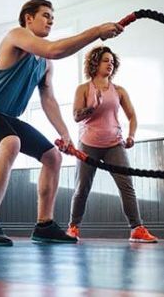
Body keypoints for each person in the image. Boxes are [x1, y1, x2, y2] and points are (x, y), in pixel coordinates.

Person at [0, 0, 124, 246]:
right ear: (28, 18)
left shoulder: (44, 64)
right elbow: (54, 49)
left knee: (53, 156)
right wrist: (96, 32)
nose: (51, 20)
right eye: (45, 15)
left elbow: (48, 100)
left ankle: (44, 225)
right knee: (11, 143)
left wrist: (66, 135)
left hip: (8, 118)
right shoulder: (16, 36)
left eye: (53, 17)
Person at [65, 46, 157, 243]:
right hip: (88, 143)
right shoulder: (83, 89)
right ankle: (73, 227)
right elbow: (76, 116)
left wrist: (131, 136)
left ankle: (137, 228)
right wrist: (93, 107)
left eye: (112, 61)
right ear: (95, 63)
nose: (110, 64)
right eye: (106, 60)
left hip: (114, 143)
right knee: (82, 188)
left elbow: (132, 116)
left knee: (127, 186)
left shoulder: (119, 90)